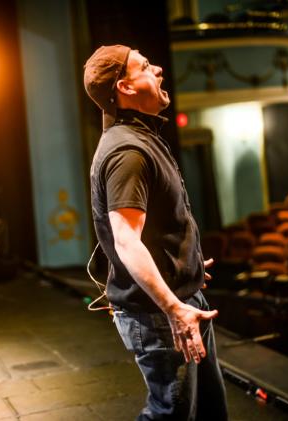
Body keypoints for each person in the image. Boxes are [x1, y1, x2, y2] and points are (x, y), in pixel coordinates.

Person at [84, 45, 228, 419]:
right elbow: (127, 239)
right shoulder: (127, 153)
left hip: (178, 304)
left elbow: (151, 232)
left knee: (208, 411)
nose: (159, 69)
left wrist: (183, 265)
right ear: (125, 88)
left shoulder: (138, 137)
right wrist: (173, 308)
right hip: (161, 317)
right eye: (146, 67)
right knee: (171, 414)